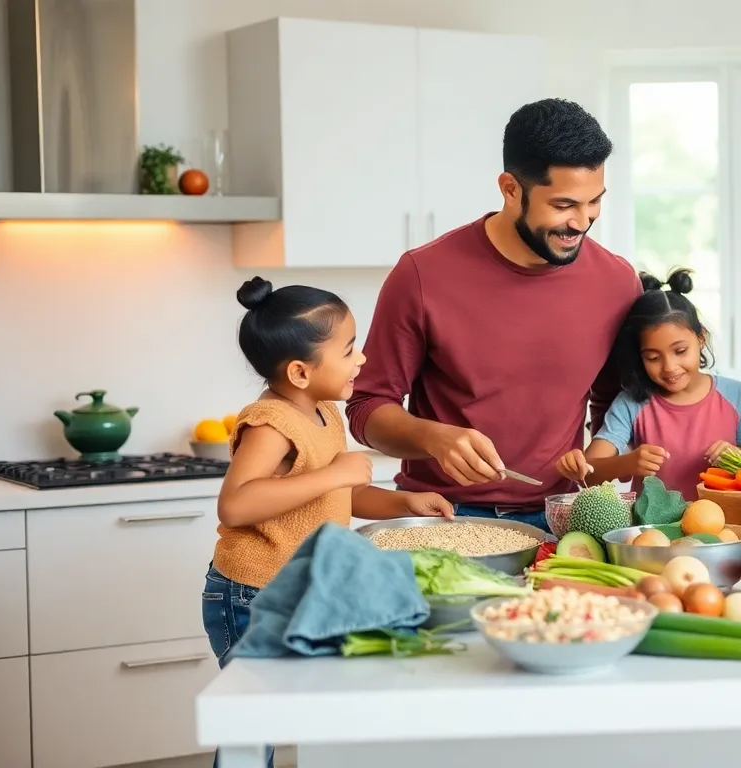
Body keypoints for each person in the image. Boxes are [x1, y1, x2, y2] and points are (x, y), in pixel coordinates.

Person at [345, 99, 640, 532]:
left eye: (594, 201)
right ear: (510, 189)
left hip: (562, 516)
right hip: (444, 515)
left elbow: (617, 407)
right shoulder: (422, 274)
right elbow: (366, 407)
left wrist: (597, 474)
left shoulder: (616, 281)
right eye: (563, 205)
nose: (582, 221)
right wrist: (433, 438)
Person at [203, 278, 453, 767]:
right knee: (251, 729)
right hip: (252, 595)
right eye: (349, 349)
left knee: (302, 715)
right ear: (300, 372)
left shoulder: (324, 413)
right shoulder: (271, 423)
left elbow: (341, 495)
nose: (362, 359)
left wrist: (406, 502)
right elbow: (235, 504)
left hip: (302, 589)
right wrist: (335, 473)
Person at [555, 269, 741, 500]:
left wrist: (737, 456)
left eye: (680, 351)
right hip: (650, 523)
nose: (669, 367)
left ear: (701, 338)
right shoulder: (631, 403)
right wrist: (627, 463)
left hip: (725, 519)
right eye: (653, 358)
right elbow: (589, 471)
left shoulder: (736, 395)